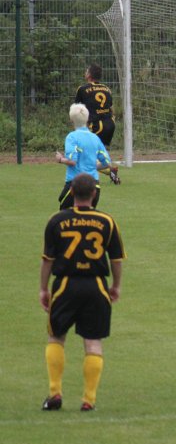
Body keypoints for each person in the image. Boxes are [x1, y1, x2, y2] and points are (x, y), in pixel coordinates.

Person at [40, 172, 126, 412]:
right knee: (93, 342)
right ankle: (89, 400)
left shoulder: (56, 221)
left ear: (71, 193)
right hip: (96, 285)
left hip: (65, 284)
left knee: (56, 337)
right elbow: (116, 259)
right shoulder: (107, 222)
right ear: (94, 194)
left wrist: (43, 289)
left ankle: (55, 394)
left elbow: (48, 259)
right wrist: (116, 286)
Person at [56, 103, 117, 210]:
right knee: (87, 220)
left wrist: (61, 159)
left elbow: (72, 161)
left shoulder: (72, 137)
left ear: (71, 120)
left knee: (66, 220)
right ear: (87, 119)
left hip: (75, 186)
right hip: (94, 186)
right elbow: (107, 162)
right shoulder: (95, 138)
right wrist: (93, 167)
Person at [74, 63, 121, 185]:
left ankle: (87, 177)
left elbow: (77, 110)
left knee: (85, 160)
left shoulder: (83, 89)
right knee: (98, 157)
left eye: (86, 71)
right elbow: (112, 109)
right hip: (110, 125)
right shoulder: (107, 89)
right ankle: (111, 171)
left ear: (89, 75)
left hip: (96, 126)